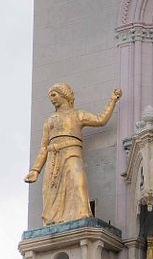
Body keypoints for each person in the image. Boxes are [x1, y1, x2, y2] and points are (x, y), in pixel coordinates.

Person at [25, 83, 122, 225]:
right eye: (50, 96)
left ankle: (82, 216)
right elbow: (43, 148)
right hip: (53, 158)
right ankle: (53, 221)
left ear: (64, 94)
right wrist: (35, 170)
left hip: (72, 153)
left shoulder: (78, 114)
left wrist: (112, 100)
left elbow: (100, 120)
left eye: (54, 94)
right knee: (51, 191)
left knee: (78, 183)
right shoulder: (50, 120)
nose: (51, 99)